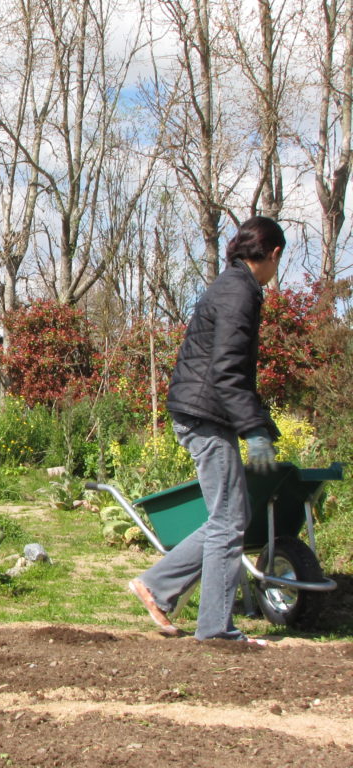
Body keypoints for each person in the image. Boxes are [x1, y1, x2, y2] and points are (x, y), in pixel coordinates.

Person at [128, 216, 284, 644]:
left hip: (204, 410)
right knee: (231, 518)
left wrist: (260, 423)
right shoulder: (239, 292)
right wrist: (253, 429)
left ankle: (158, 587)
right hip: (204, 414)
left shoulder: (233, 285)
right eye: (278, 262)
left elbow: (231, 371)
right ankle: (215, 628)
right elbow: (227, 370)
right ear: (272, 254)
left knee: (228, 517)